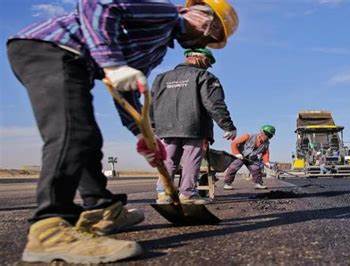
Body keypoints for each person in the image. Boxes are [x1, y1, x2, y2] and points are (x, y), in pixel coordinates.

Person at [6, 0, 238, 263]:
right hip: (48, 48)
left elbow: (126, 88)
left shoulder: (157, 49)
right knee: (74, 135)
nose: (205, 41)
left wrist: (142, 133)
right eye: (211, 34)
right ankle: (49, 231)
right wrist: (112, 63)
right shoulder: (164, 13)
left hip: (74, 62)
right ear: (201, 17)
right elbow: (97, 4)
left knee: (88, 140)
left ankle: (102, 209)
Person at [151, 48, 236, 204]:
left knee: (168, 159)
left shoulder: (161, 78)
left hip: (167, 127)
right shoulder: (204, 76)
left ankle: (164, 193)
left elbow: (152, 103)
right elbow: (214, 103)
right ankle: (187, 194)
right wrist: (228, 126)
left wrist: (153, 125)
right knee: (191, 159)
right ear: (199, 58)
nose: (208, 66)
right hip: (194, 126)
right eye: (208, 62)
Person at [223, 125, 276, 190]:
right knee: (233, 167)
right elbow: (234, 143)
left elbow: (265, 153)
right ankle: (227, 184)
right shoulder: (248, 136)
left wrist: (267, 162)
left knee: (256, 168)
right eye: (267, 134)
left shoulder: (266, 143)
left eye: (270, 136)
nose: (267, 137)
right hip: (241, 156)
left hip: (252, 158)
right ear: (262, 132)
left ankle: (258, 184)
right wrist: (237, 153)